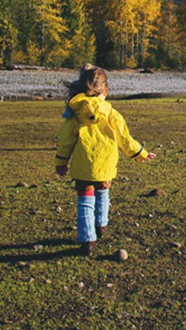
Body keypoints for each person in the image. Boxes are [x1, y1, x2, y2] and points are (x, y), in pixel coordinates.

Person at [55, 64, 155, 256]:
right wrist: (140, 153)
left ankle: (87, 240)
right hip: (106, 166)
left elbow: (65, 141)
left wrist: (61, 162)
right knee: (102, 193)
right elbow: (125, 139)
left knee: (85, 201)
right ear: (105, 90)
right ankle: (101, 226)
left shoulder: (75, 113)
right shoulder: (111, 114)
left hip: (83, 167)